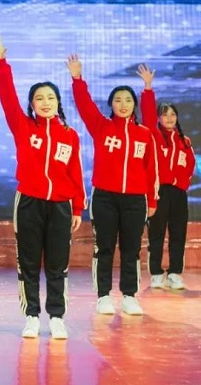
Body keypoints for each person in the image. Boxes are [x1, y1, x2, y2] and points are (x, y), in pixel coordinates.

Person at [0, 36, 85, 340]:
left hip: (61, 205)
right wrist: (1, 64)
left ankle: (56, 316)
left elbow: (76, 172)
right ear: (32, 104)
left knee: (58, 264)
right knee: (28, 262)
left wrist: (78, 207)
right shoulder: (23, 127)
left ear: (58, 103)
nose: (45, 102)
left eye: (51, 98)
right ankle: (31, 315)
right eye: (39, 98)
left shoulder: (70, 135)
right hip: (28, 202)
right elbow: (7, 97)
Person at [66, 54, 158, 316]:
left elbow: (152, 169)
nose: (123, 104)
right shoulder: (101, 127)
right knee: (103, 247)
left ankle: (129, 296)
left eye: (128, 100)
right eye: (118, 100)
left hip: (135, 199)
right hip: (104, 197)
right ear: (111, 105)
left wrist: (152, 200)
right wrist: (77, 79)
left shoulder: (144, 134)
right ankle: (103, 296)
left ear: (134, 105)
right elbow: (85, 106)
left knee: (131, 248)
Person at [137, 65, 196, 291]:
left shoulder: (184, 141)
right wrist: (148, 87)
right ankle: (156, 273)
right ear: (159, 118)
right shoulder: (153, 135)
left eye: (173, 114)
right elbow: (147, 113)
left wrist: (182, 184)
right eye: (165, 114)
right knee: (157, 234)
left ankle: (174, 273)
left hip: (178, 193)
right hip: (158, 191)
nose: (169, 118)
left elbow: (190, 164)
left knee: (178, 233)